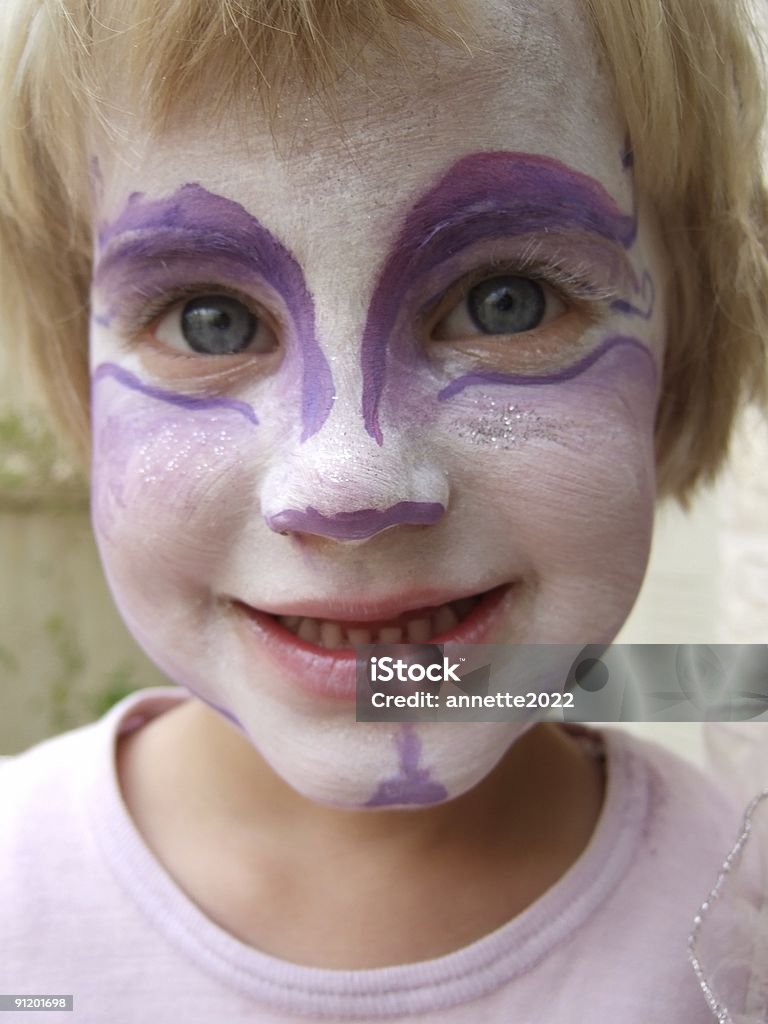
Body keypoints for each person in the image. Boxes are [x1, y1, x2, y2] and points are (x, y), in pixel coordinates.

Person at [0, 0, 766, 1020]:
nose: (347, 483)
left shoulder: (743, 925)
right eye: (208, 319)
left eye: (509, 300)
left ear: (685, 366)